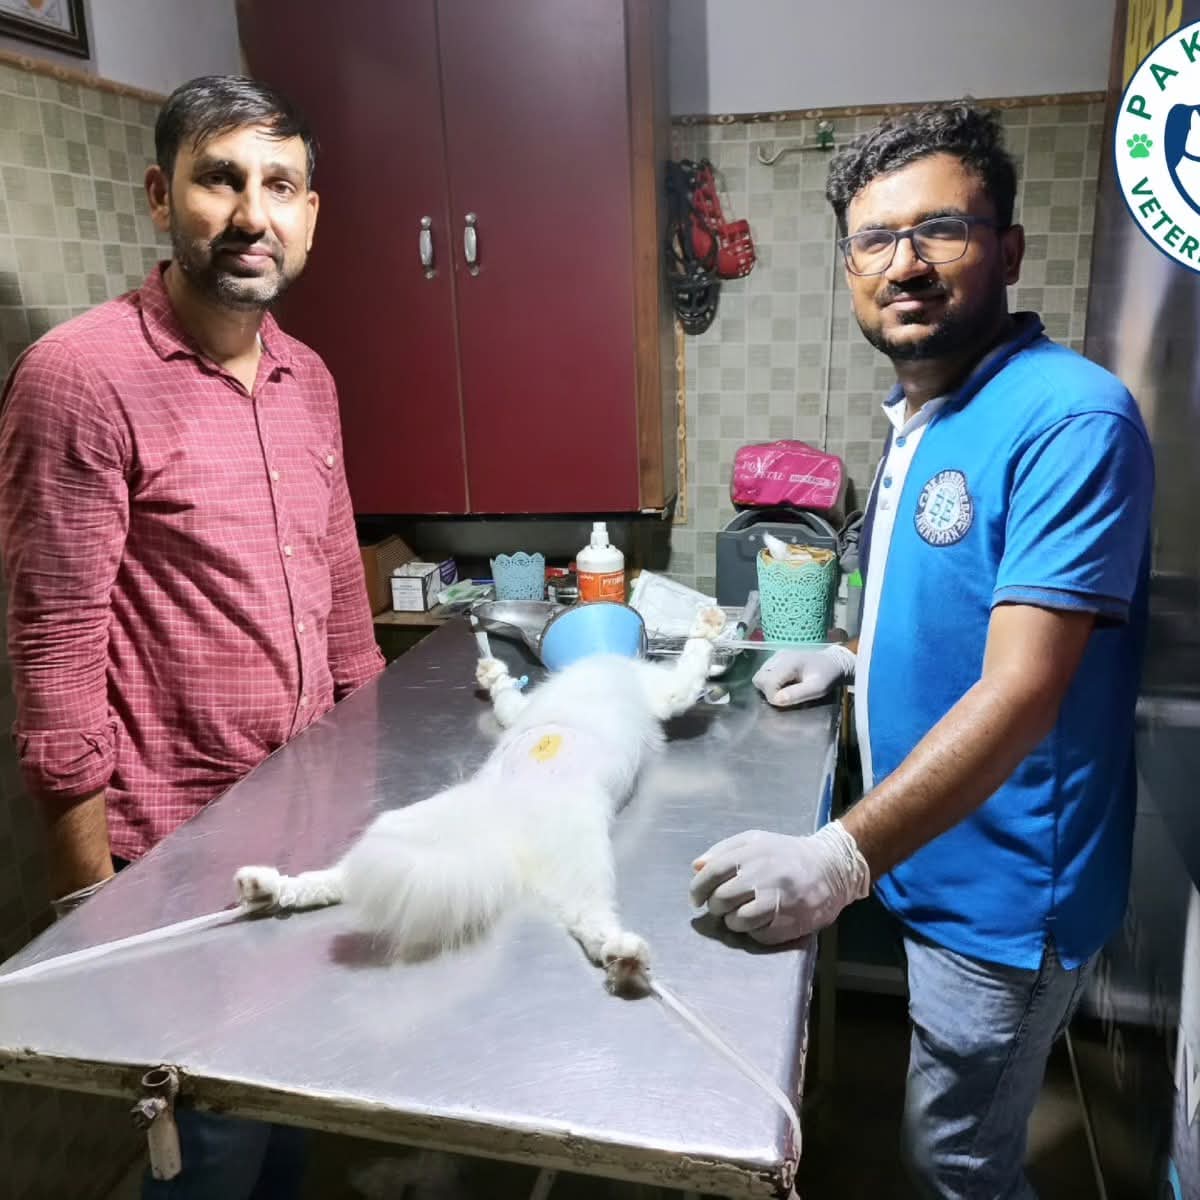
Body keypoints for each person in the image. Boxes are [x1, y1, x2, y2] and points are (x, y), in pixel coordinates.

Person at [690, 102, 1154, 1199]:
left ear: (1006, 249)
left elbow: (1025, 689)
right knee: (947, 1133)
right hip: (937, 861)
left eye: (940, 229)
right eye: (873, 239)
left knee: (957, 1162)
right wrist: (859, 663)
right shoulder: (929, 413)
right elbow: (962, 614)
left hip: (1004, 893)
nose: (905, 264)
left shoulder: (1071, 420)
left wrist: (839, 857)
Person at [0, 75, 385, 1198]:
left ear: (312, 214)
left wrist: (368, 811)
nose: (252, 214)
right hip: (173, 867)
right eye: (221, 179)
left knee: (289, 1112)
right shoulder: (82, 378)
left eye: (281, 185)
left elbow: (344, 611)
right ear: (162, 196)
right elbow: (56, 648)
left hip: (308, 845)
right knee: (212, 1145)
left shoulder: (309, 379)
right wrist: (88, 907)